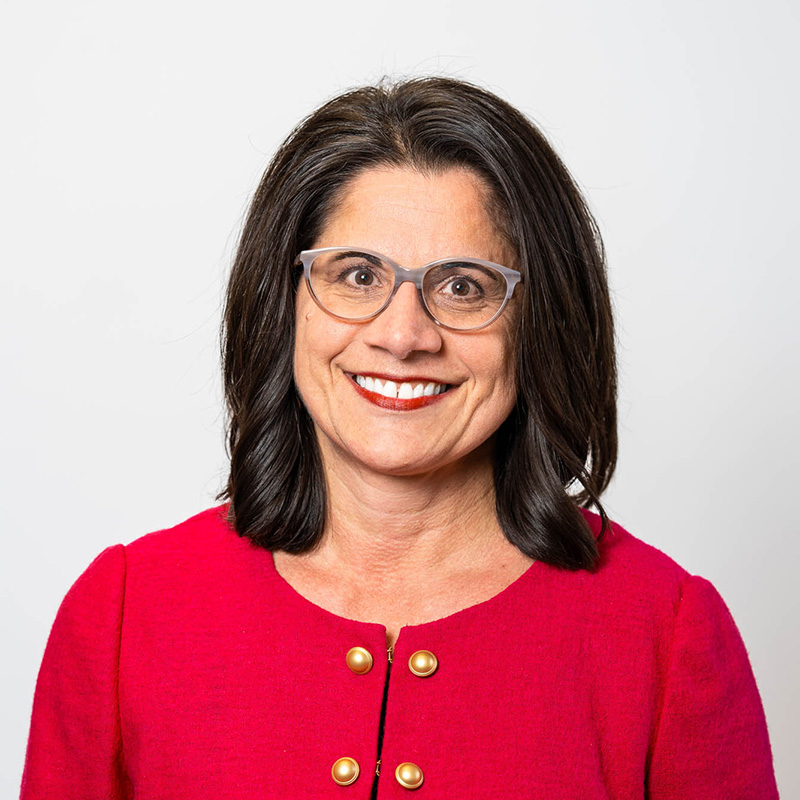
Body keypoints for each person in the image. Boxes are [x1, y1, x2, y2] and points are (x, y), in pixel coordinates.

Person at [20, 77, 778, 799]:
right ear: (285, 302)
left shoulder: (665, 633)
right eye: (357, 276)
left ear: (540, 324)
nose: (403, 335)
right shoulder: (126, 614)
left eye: (464, 286)